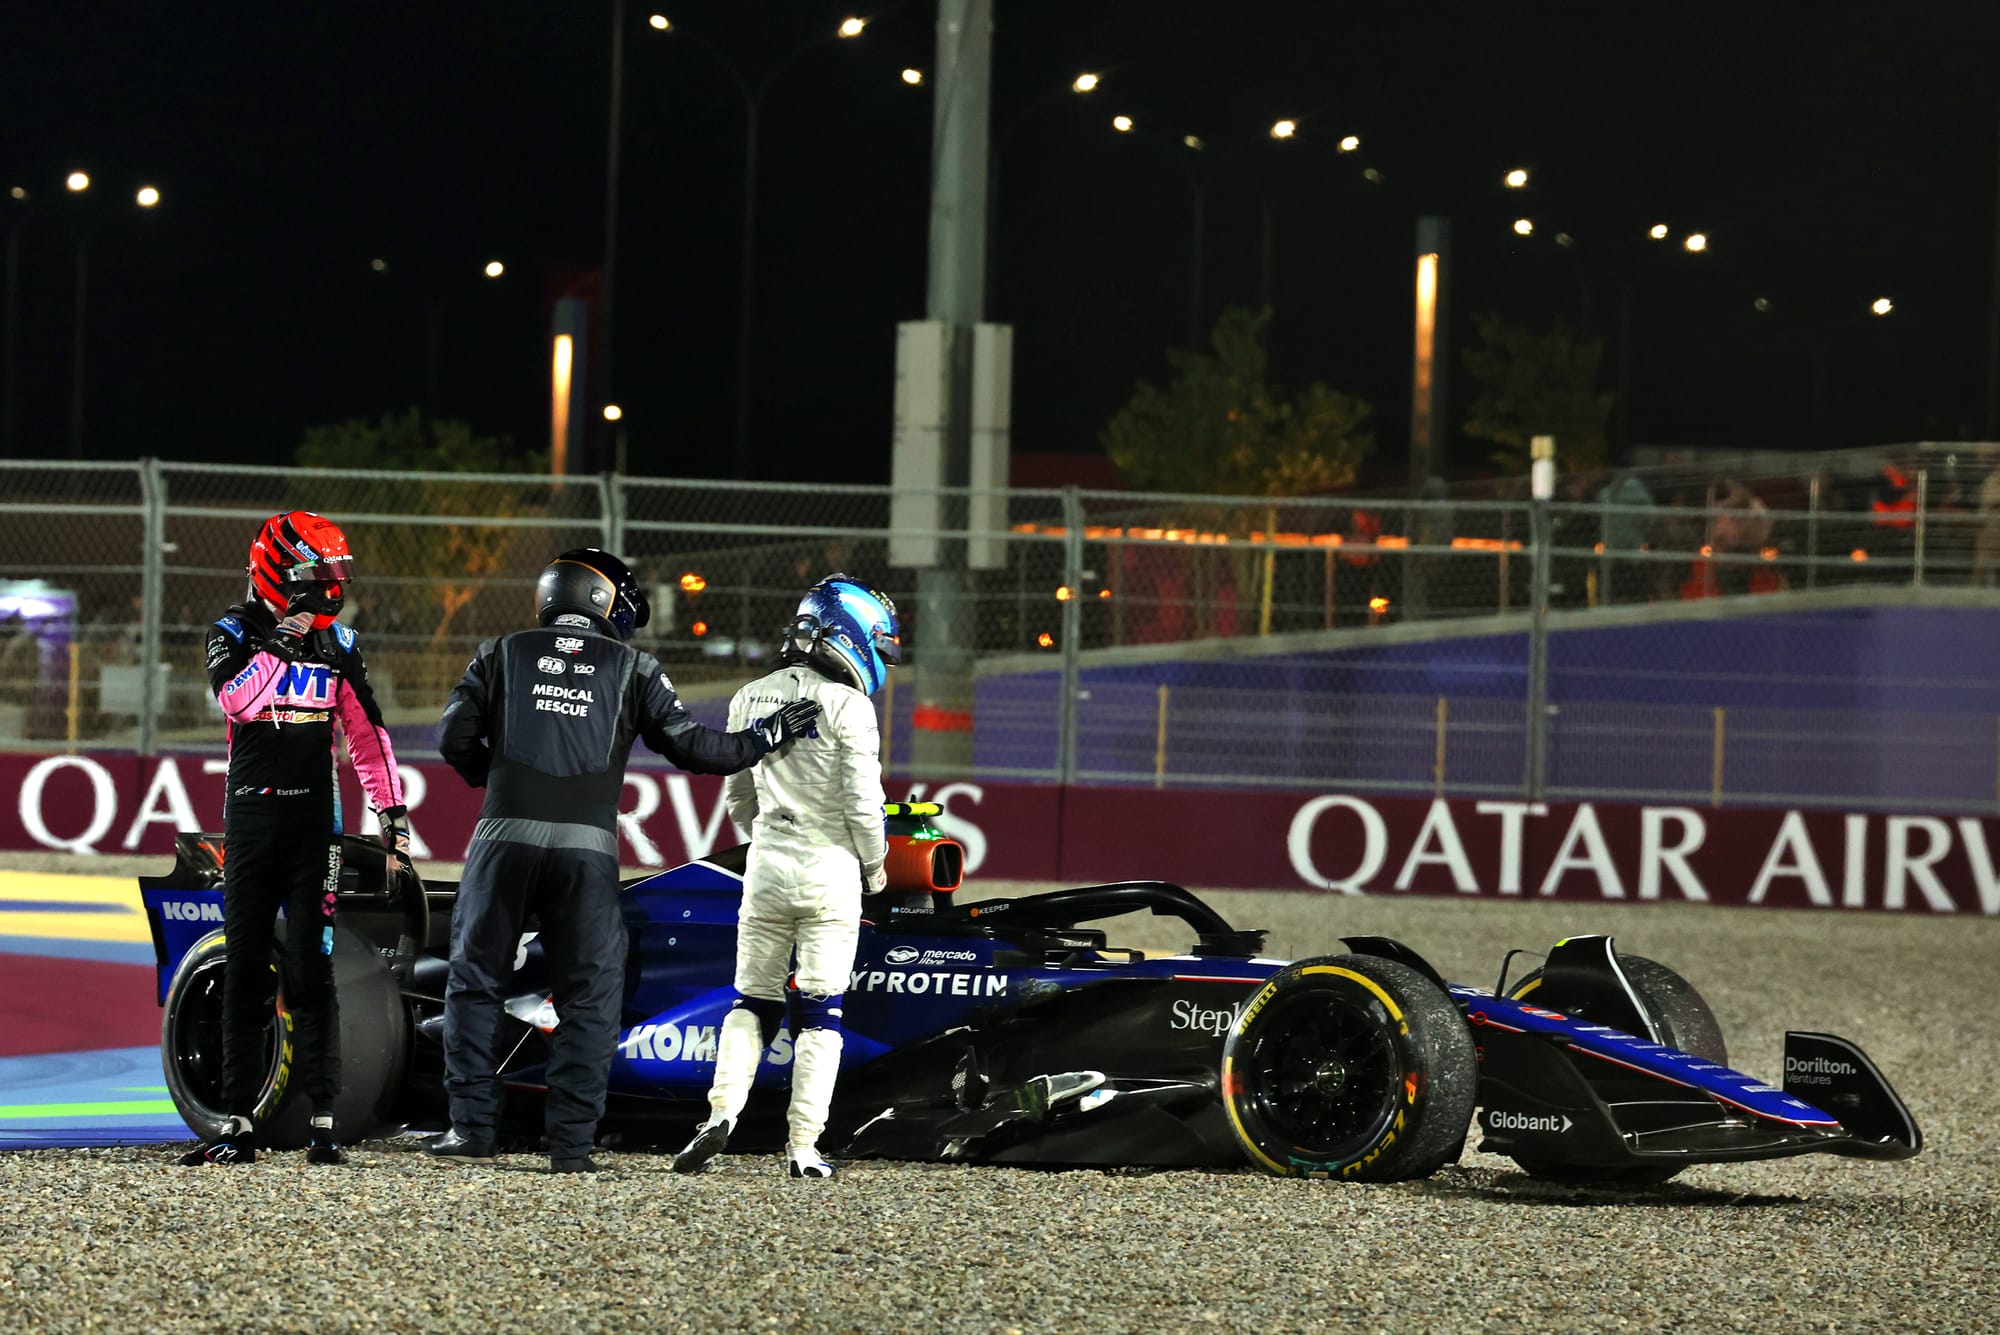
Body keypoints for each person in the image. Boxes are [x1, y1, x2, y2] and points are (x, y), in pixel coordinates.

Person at [431, 548, 818, 1173]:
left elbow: (452, 739)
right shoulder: (635, 665)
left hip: (500, 840)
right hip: (585, 852)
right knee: (590, 995)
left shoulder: (498, 652)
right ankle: (570, 1148)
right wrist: (767, 735)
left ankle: (471, 1130)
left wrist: (499, 778)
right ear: (601, 599)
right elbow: (698, 749)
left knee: (476, 981)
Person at [184, 511, 411, 1167]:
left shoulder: (340, 641)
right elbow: (237, 702)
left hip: (319, 826)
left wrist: (393, 819)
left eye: (334, 572)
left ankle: (322, 1123)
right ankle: (235, 1122)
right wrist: (283, 637)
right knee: (247, 968)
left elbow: (368, 736)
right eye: (317, 572)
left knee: (314, 972)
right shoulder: (230, 630)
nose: (329, 584)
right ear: (279, 571)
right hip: (252, 822)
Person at [673, 573, 898, 1180]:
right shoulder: (852, 707)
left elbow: (738, 796)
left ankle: (720, 1115)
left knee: (752, 1001)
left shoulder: (749, 695)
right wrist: (876, 870)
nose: (881, 656)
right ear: (849, 631)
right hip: (830, 871)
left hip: (768, 862)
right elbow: (862, 807)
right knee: (822, 1015)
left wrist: (766, 840)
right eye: (879, 642)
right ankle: (802, 1148)